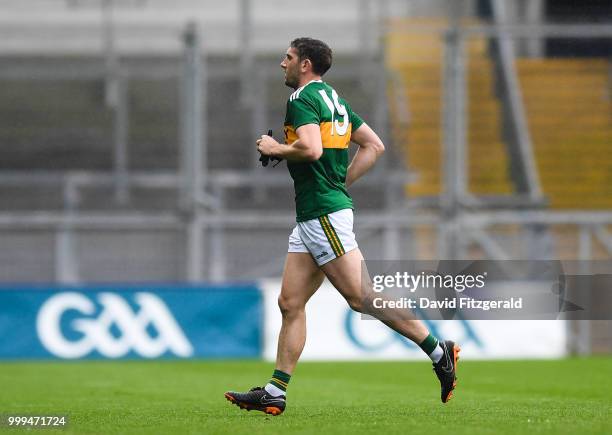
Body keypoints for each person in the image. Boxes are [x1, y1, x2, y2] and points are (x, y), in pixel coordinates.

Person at [225, 37, 459, 416]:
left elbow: (312, 149)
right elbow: (374, 146)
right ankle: (275, 391)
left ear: (305, 64)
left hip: (322, 214)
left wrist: (274, 148)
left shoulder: (301, 99)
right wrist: (339, 182)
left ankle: (438, 350)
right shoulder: (334, 99)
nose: (281, 64)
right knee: (290, 302)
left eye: (287, 58)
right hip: (314, 215)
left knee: (360, 297)